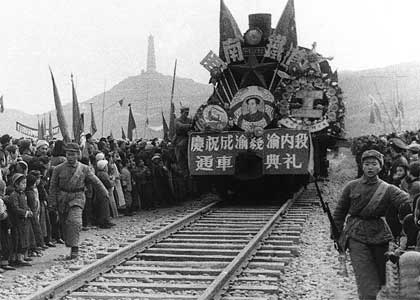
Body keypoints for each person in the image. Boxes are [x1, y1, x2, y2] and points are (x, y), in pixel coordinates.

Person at [332, 150, 409, 300]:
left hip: (380, 235)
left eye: (374, 164)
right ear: (362, 166)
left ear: (380, 167)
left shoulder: (388, 189)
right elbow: (340, 212)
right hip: (356, 234)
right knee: (365, 279)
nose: (370, 167)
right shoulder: (351, 186)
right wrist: (336, 234)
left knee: (385, 279)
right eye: (367, 164)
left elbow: (407, 202)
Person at [48, 143, 109, 259]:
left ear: (78, 155)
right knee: (65, 224)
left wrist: (104, 193)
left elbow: (95, 181)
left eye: (73, 154)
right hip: (63, 199)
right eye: (68, 154)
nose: (70, 157)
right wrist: (52, 203)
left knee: (75, 221)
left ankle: (75, 248)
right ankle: (70, 242)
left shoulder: (84, 169)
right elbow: (53, 187)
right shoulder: (58, 169)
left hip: (78, 197)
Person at [174, 105, 193, 174]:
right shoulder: (177, 120)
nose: (187, 114)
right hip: (180, 139)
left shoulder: (190, 120)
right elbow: (180, 126)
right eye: (185, 113)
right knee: (180, 150)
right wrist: (190, 126)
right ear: (181, 113)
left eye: (187, 113)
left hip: (189, 138)